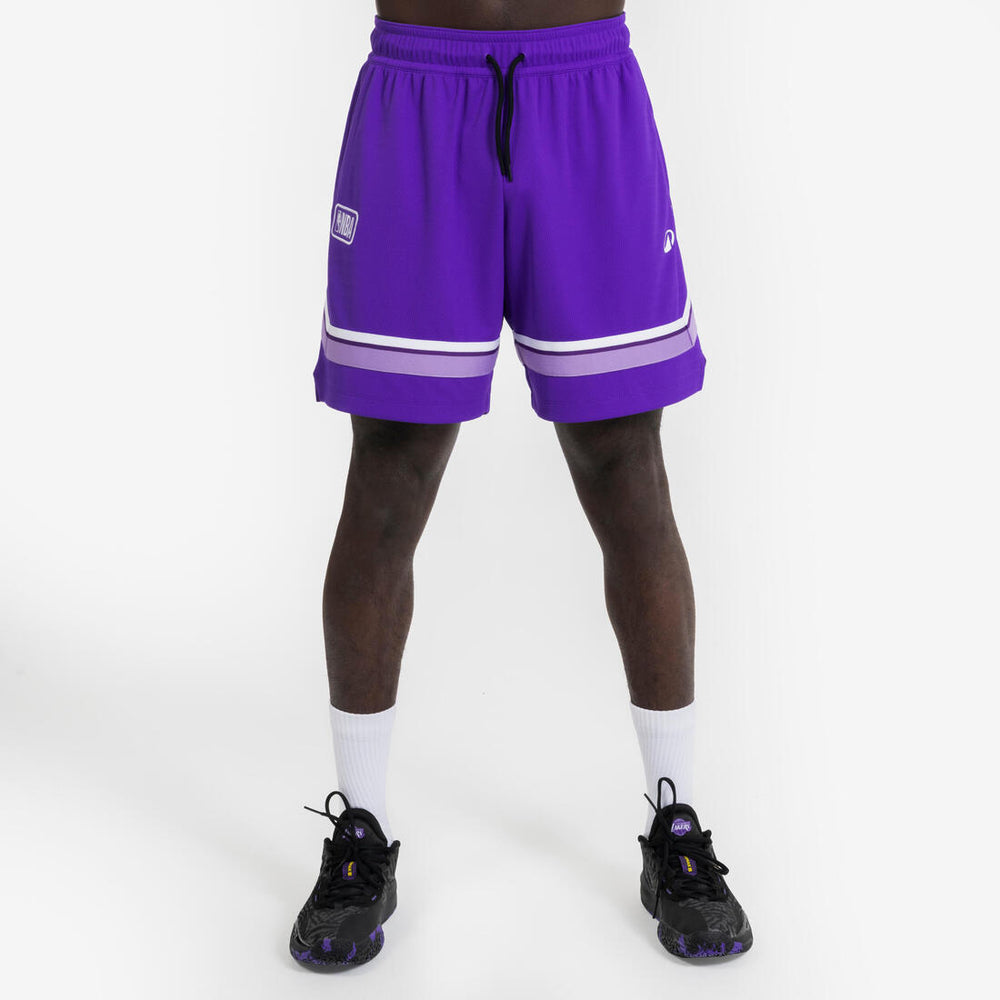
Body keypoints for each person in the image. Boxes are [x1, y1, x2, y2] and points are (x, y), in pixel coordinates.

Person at [289, 0, 752, 968]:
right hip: (418, 93)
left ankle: (675, 824)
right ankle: (359, 836)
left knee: (626, 466)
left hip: (586, 93)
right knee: (388, 475)